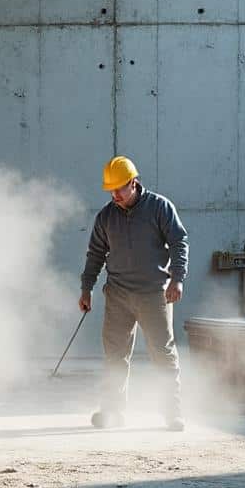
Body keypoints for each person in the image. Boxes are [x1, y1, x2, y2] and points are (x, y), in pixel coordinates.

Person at [79, 155, 189, 432]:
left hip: (154, 295)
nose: (114, 195)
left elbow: (178, 242)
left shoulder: (159, 208)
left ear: (134, 183)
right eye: (110, 190)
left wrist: (177, 279)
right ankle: (112, 411)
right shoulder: (106, 216)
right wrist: (86, 288)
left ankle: (172, 413)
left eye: (119, 189)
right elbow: (95, 254)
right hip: (117, 295)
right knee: (114, 355)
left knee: (162, 353)